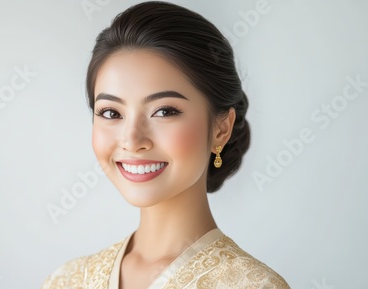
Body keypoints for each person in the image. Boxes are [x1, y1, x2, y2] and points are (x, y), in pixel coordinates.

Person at [42, 1, 290, 288]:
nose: (132, 140)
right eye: (111, 113)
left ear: (221, 128)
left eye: (164, 111)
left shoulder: (254, 285)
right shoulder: (65, 281)